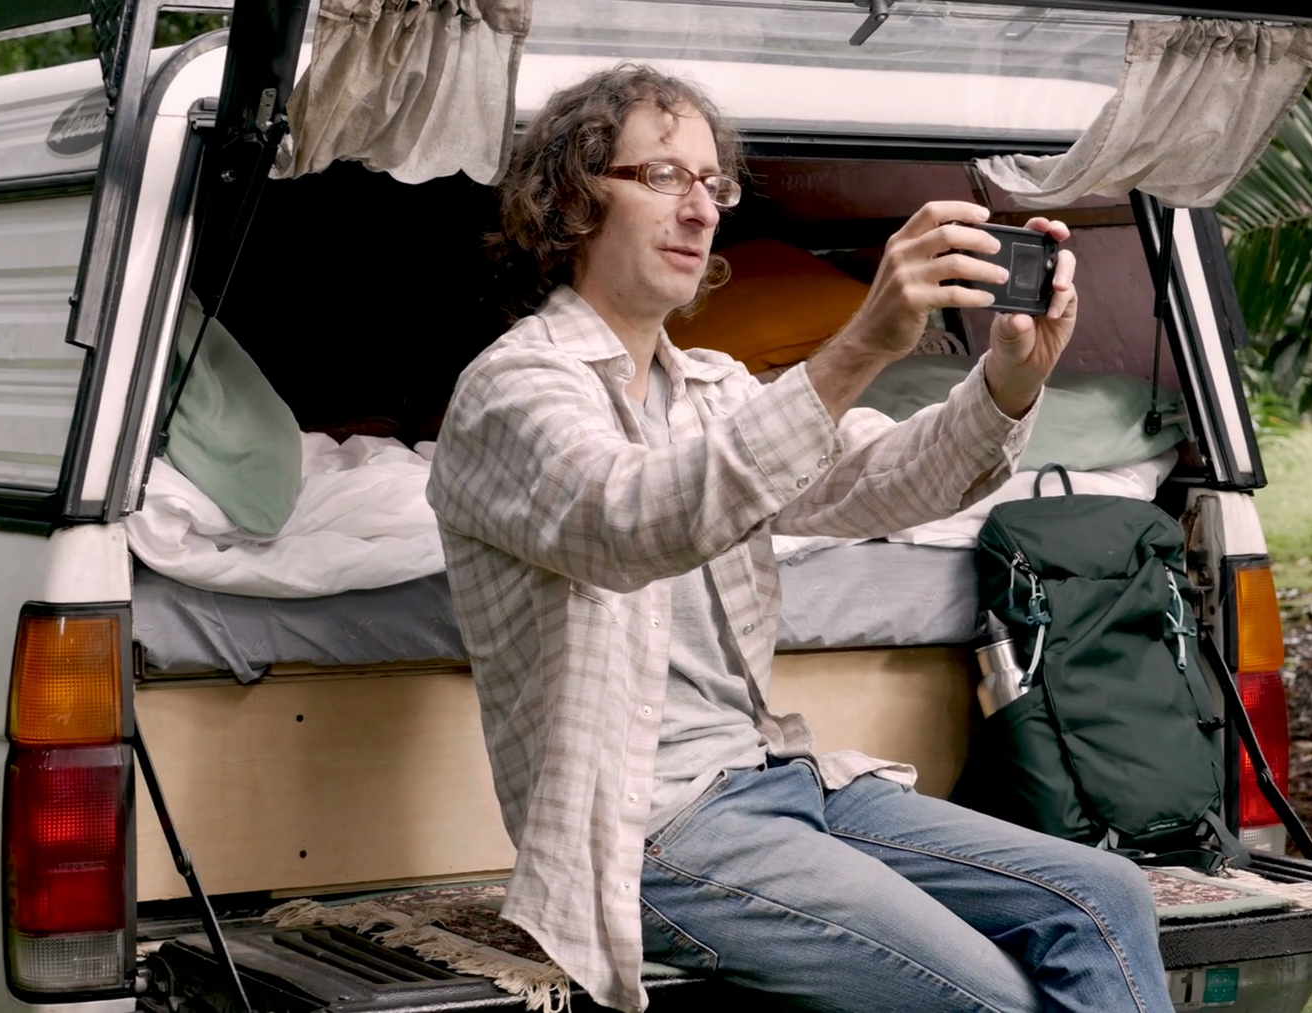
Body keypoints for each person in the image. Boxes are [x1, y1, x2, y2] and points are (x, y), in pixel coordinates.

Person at [427, 64, 1174, 1013]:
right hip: (650, 829)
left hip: (782, 780)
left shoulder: (711, 388)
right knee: (992, 998)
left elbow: (881, 480)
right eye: (664, 176)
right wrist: (861, 342)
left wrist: (1010, 381)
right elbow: (637, 519)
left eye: (714, 184)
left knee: (1106, 896)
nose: (701, 209)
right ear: (572, 201)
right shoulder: (512, 390)